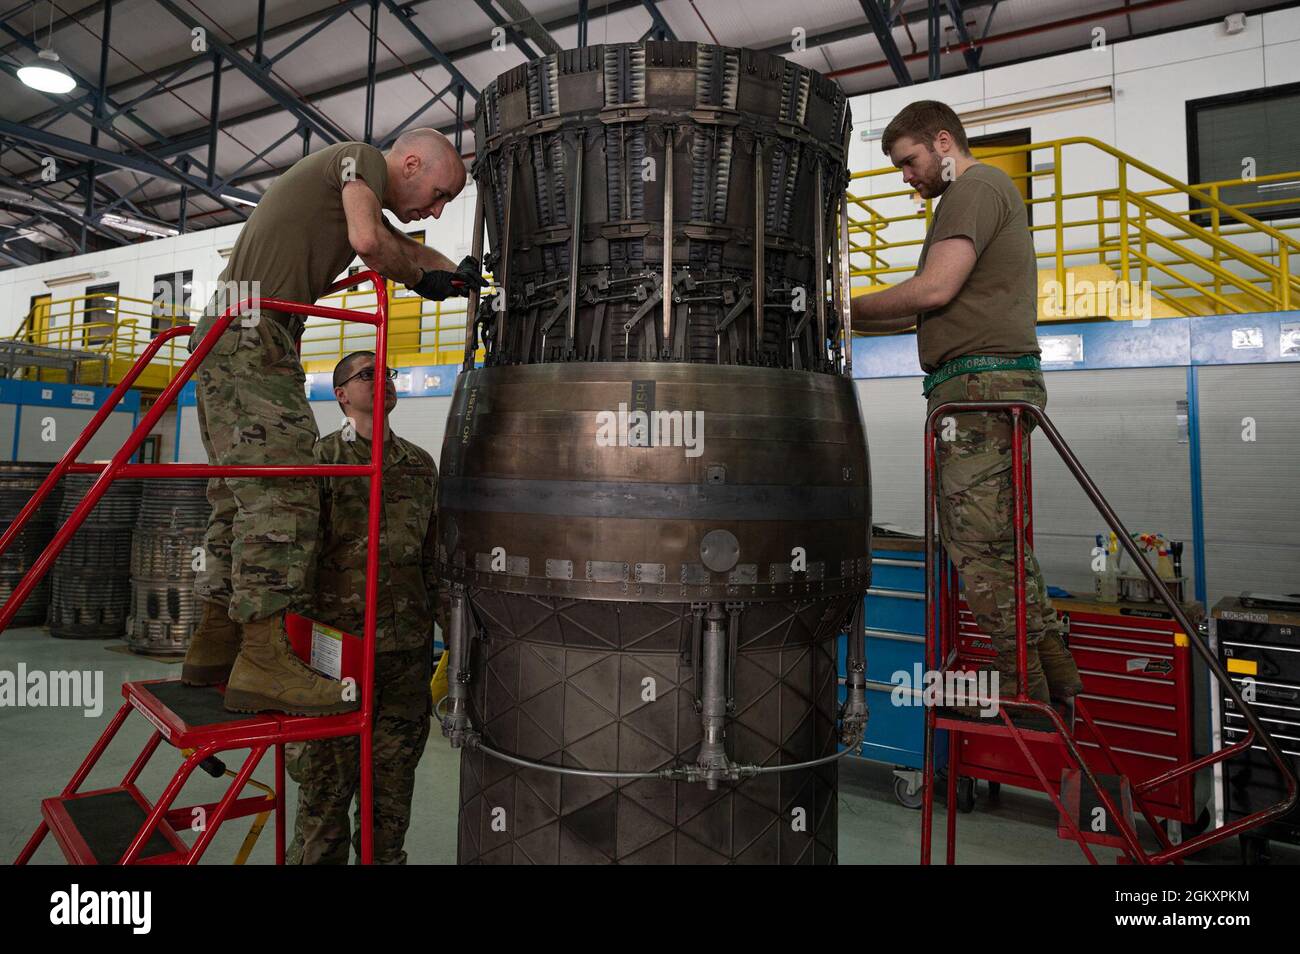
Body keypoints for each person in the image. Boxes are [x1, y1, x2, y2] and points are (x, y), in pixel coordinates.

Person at [181, 128, 483, 715]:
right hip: (252, 333)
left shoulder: (353, 180)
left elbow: (407, 250)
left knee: (235, 495)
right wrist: (423, 281)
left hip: (233, 330)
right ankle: (263, 659)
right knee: (286, 489)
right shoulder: (362, 160)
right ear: (410, 162)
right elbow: (371, 243)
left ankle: (215, 640)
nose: (439, 209)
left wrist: (460, 277)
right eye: (440, 192)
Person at [850, 101, 1082, 710]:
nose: (906, 177)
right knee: (1002, 544)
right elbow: (927, 311)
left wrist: (840, 306)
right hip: (983, 392)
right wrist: (842, 323)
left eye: (910, 161)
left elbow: (933, 288)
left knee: (976, 545)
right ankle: (1057, 676)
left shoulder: (974, 186)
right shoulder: (978, 194)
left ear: (944, 142)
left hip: (979, 397)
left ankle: (1020, 686)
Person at [288, 350, 440, 864]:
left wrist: (451, 635)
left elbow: (432, 557)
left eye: (388, 373)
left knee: (393, 792)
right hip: (339, 652)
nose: (383, 381)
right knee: (326, 791)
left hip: (405, 653)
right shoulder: (322, 459)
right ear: (342, 395)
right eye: (367, 374)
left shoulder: (419, 465)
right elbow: (299, 557)